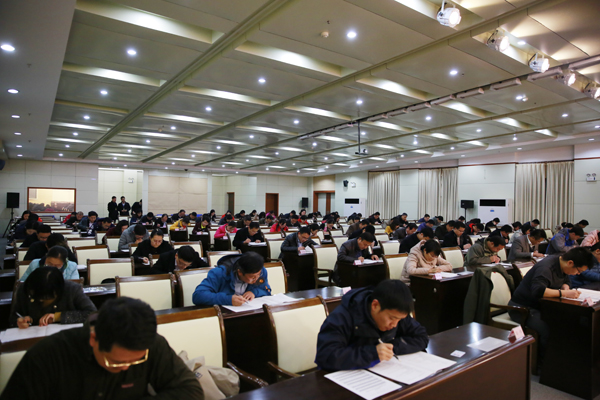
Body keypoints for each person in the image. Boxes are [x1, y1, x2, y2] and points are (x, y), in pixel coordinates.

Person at [2, 296, 203, 399]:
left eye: (136, 360)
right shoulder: (47, 356)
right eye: (115, 362)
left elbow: (191, 391)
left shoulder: (151, 344)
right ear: (93, 339)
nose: (126, 368)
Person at [315, 279, 428, 371]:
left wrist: (391, 348)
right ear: (375, 305)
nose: (394, 325)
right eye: (391, 318)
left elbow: (422, 337)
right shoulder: (343, 316)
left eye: (400, 320)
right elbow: (326, 356)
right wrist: (372, 353)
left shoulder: (396, 312)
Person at [508, 248, 594, 361]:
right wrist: (563, 293)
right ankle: (544, 363)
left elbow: (567, 280)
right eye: (579, 271)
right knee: (548, 329)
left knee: (569, 322)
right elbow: (538, 291)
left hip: (544, 306)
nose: (578, 274)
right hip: (523, 308)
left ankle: (565, 359)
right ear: (570, 263)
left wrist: (566, 287)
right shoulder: (546, 267)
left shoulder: (562, 264)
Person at [10, 267, 96, 329]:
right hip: (32, 337)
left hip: (66, 337)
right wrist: (20, 321)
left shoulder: (72, 289)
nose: (40, 300)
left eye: (46, 297)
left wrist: (58, 316)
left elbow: (92, 314)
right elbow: (14, 317)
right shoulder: (25, 289)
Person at [193, 252, 271, 306]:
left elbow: (267, 290)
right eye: (252, 277)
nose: (256, 279)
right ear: (240, 272)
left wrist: (254, 292)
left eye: (259, 275)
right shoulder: (220, 273)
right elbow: (198, 296)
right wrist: (228, 299)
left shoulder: (260, 270)